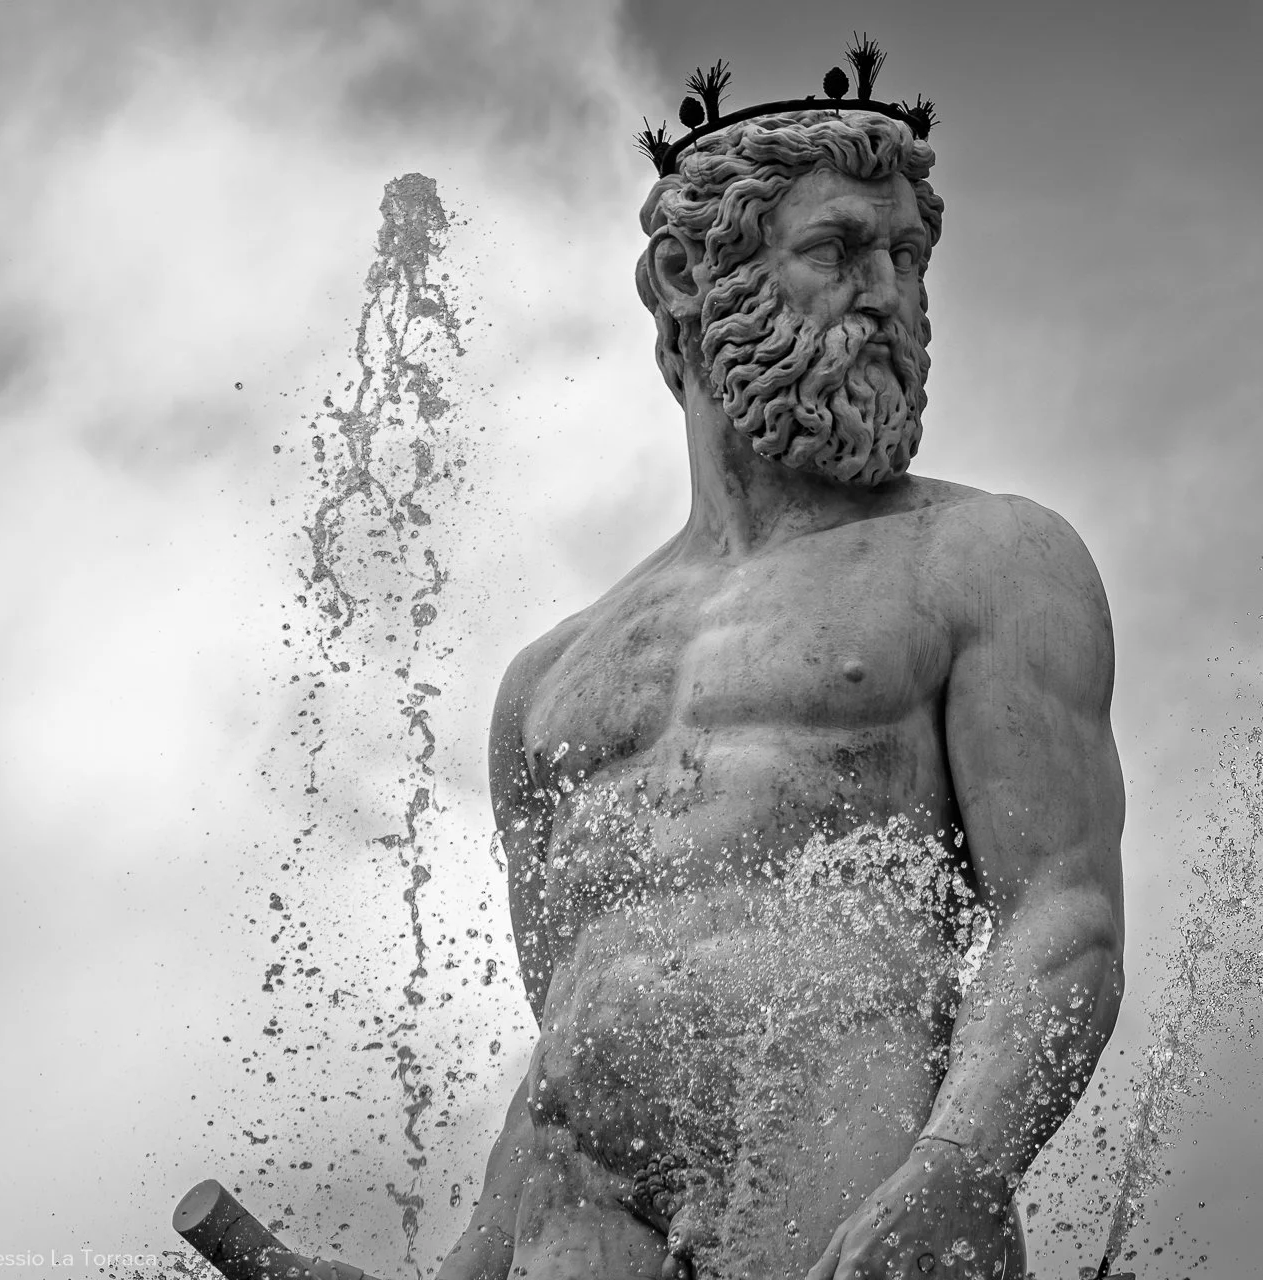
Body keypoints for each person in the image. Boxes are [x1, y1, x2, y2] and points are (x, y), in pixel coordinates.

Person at [439, 107, 1124, 1280]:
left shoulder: (985, 557)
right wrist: (462, 1267)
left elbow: (1060, 914)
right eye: (839, 250)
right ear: (688, 278)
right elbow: (563, 1025)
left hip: (843, 1139)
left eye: (907, 258)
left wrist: (961, 1165)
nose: (888, 296)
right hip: (578, 1205)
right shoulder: (544, 682)